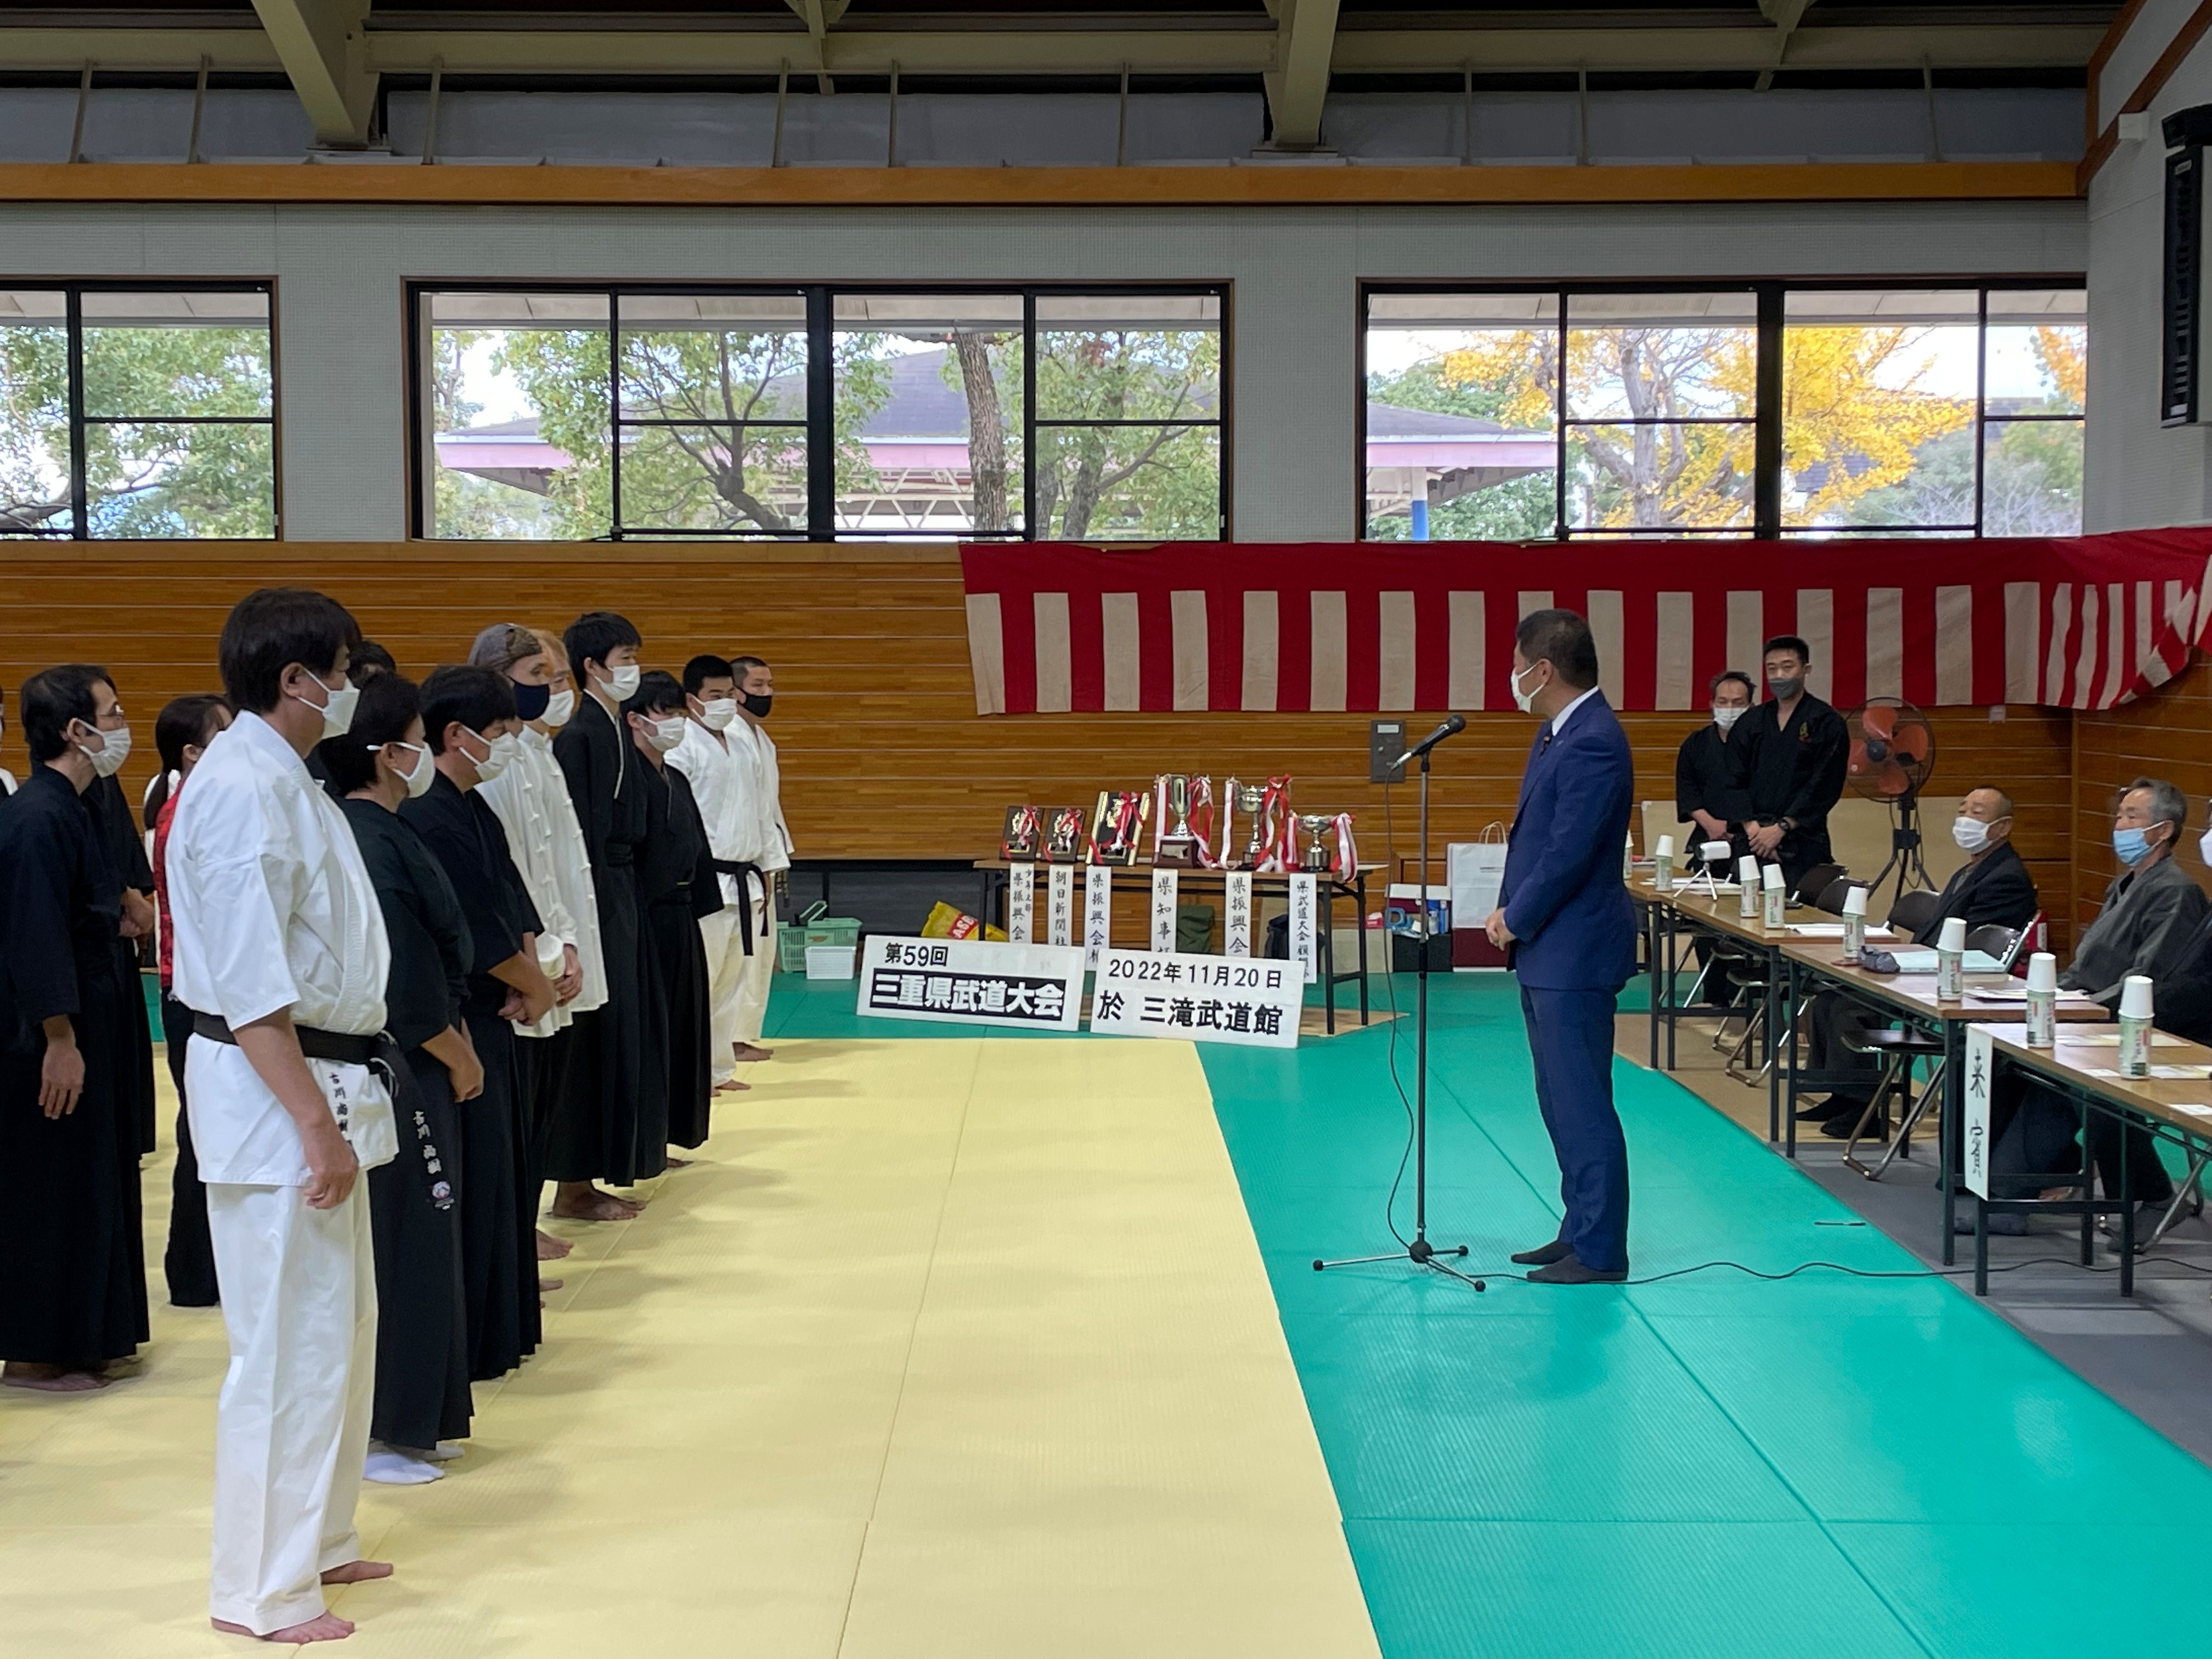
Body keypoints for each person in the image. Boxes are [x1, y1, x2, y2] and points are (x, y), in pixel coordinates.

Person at [167, 588, 397, 1643]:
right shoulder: (237, 789)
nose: (351, 687)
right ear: (297, 679)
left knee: (341, 1330)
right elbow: (252, 985)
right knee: (283, 1349)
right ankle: (260, 1589)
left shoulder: (283, 774)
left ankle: (321, 1535)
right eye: (342, 669)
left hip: (327, 1076)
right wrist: (312, 1120)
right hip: (276, 1095)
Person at [320, 673, 479, 1487]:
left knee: (429, 1236)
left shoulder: (388, 826)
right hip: (407, 1056)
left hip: (421, 1050)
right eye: (416, 739)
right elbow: (404, 971)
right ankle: (388, 1431)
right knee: (406, 1243)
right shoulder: (363, 838)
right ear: (388, 753)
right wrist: (456, 1049)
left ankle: (425, 1416)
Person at [400, 665, 555, 1383]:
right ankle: (478, 1336)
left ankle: (506, 1322)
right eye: (496, 734)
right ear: (454, 735)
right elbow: (466, 927)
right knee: (478, 1179)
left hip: (502, 1008)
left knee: (506, 1171)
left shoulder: (473, 805)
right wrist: (530, 984)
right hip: (463, 1016)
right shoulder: (427, 813)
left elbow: (511, 902)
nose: (506, 745)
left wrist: (536, 968)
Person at [0, 665, 150, 1392]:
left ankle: (90, 1337)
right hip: (52, 1033)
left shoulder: (81, 808)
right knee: (51, 1185)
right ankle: (37, 1346)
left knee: (95, 1174)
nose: (123, 724)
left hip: (100, 1014)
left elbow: (86, 899)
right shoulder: (36, 816)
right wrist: (58, 1040)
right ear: (75, 731)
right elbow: (32, 937)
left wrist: (121, 904)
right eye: (112, 714)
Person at [1976, 779, 2205, 1237]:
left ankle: (2145, 1189)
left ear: (2163, 831)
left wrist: (2082, 1008)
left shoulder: (2175, 892)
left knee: (2079, 1079)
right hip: (2090, 1012)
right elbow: (2084, 966)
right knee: (2003, 1054)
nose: (2120, 825)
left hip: (2141, 1023)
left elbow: (2149, 981)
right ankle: (2022, 1179)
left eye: (2132, 817)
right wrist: (2049, 997)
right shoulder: (2124, 885)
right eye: (2120, 815)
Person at [1485, 609, 1637, 1285]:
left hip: (1572, 950)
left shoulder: (1593, 741)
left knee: (1582, 1100)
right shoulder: (1556, 734)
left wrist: (1517, 916)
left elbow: (1569, 851)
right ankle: (1578, 1227)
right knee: (1558, 1100)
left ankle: (1602, 1250)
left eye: (1516, 664)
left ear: (1542, 669)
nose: (1511, 677)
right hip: (1548, 950)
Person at [1802, 787, 2040, 1136]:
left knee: (1848, 1007)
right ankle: (1843, 1094)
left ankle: (1865, 1110)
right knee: (1829, 999)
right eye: (1963, 809)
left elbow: (1972, 946)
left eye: (1977, 812)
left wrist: (1908, 963)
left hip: (1960, 983)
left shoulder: (2006, 878)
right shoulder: (1971, 870)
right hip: (1930, 969)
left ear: (2003, 827)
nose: (1964, 820)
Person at [470, 625, 598, 1270]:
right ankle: (512, 1231)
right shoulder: (493, 762)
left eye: (554, 678)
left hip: (553, 946)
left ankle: (525, 1219)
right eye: (536, 677)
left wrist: (569, 944)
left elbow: (554, 866)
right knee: (514, 1106)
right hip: (519, 958)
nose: (551, 690)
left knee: (542, 1098)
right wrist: (537, 959)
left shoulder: (536, 750)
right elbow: (508, 873)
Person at [548, 611, 666, 1221]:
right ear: (591, 666)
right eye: (623, 658)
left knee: (630, 1027)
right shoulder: (580, 735)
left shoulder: (617, 725)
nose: (632, 668)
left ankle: (623, 1154)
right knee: (596, 1033)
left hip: (622, 887)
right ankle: (572, 1185)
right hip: (593, 886)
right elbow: (579, 836)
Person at [149, 693, 235, 1308]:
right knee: (200, 1138)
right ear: (192, 751)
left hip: (203, 994)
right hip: (193, 997)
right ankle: (195, 1273)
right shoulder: (185, 814)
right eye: (224, 734)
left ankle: (205, 1270)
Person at [625, 672, 722, 1159]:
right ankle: (645, 1139)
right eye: (668, 714)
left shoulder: (675, 778)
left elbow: (696, 846)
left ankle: (671, 1132)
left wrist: (705, 903)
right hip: (646, 913)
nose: (678, 723)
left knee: (686, 1026)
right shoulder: (627, 779)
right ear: (637, 720)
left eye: (680, 713)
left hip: (682, 913)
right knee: (654, 1028)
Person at [667, 654, 762, 1093]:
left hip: (745, 879)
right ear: (692, 700)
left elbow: (759, 810)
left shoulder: (742, 744)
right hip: (706, 880)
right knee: (698, 985)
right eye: (714, 696)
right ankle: (691, 1075)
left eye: (729, 694)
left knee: (729, 982)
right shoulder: (682, 747)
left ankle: (719, 1069)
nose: (725, 702)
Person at [1728, 635, 1848, 889]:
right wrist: (1754, 830)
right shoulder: (1752, 722)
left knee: (1798, 920)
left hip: (1802, 842)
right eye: (1772, 669)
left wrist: (1782, 828)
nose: (1779, 675)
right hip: (1752, 840)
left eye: (1787, 667)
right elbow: (1732, 777)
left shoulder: (1825, 721)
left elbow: (1825, 783)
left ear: (1806, 670)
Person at [718, 652, 791, 1069]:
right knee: (744, 953)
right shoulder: (731, 737)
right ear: (736, 691)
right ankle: (732, 1038)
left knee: (762, 950)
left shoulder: (761, 739)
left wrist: (776, 857)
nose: (767, 693)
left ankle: (743, 1033)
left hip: (765, 854)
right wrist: (763, 860)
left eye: (770, 686)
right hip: (744, 860)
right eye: (758, 686)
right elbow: (745, 810)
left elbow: (770, 807)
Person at [1674, 669, 1754, 862]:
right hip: (1708, 836)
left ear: (1750, 707)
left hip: (1752, 839)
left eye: (1737, 703)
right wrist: (1711, 824)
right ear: (1713, 704)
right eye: (1723, 702)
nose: (1730, 708)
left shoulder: (1762, 744)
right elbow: (1687, 790)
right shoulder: (1696, 744)